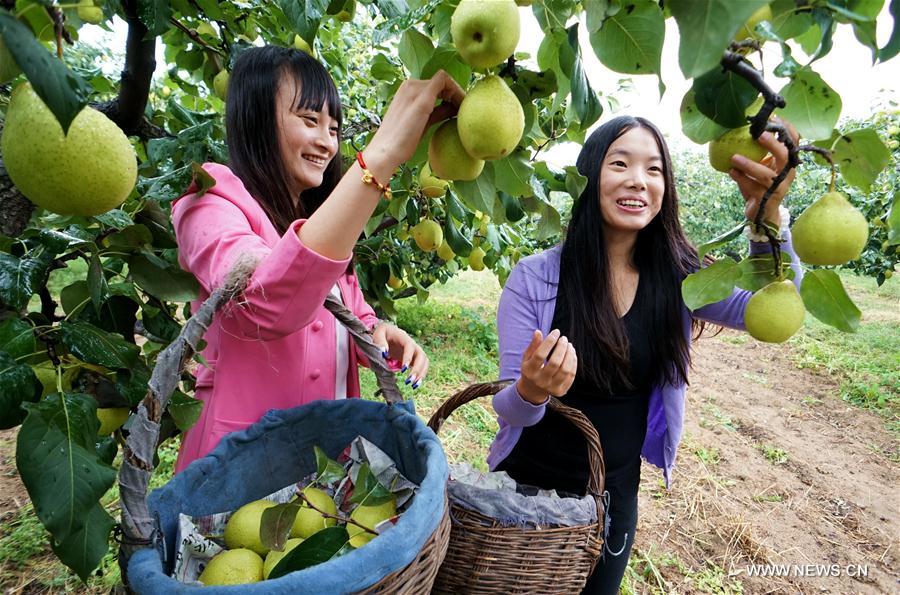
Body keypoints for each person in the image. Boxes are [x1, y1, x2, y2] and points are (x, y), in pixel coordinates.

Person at [486, 115, 802, 593]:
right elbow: (509, 408)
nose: (638, 180)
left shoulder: (681, 278)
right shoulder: (536, 278)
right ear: (589, 176)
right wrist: (531, 389)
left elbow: (769, 309)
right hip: (524, 490)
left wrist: (769, 217)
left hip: (611, 497)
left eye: (653, 169)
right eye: (620, 164)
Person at [172, 46, 465, 473]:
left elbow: (349, 312)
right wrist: (382, 155)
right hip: (239, 466)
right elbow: (262, 302)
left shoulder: (321, 220)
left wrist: (378, 333)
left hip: (326, 461)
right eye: (310, 120)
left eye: (334, 128)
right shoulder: (210, 201)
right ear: (256, 119)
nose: (328, 142)